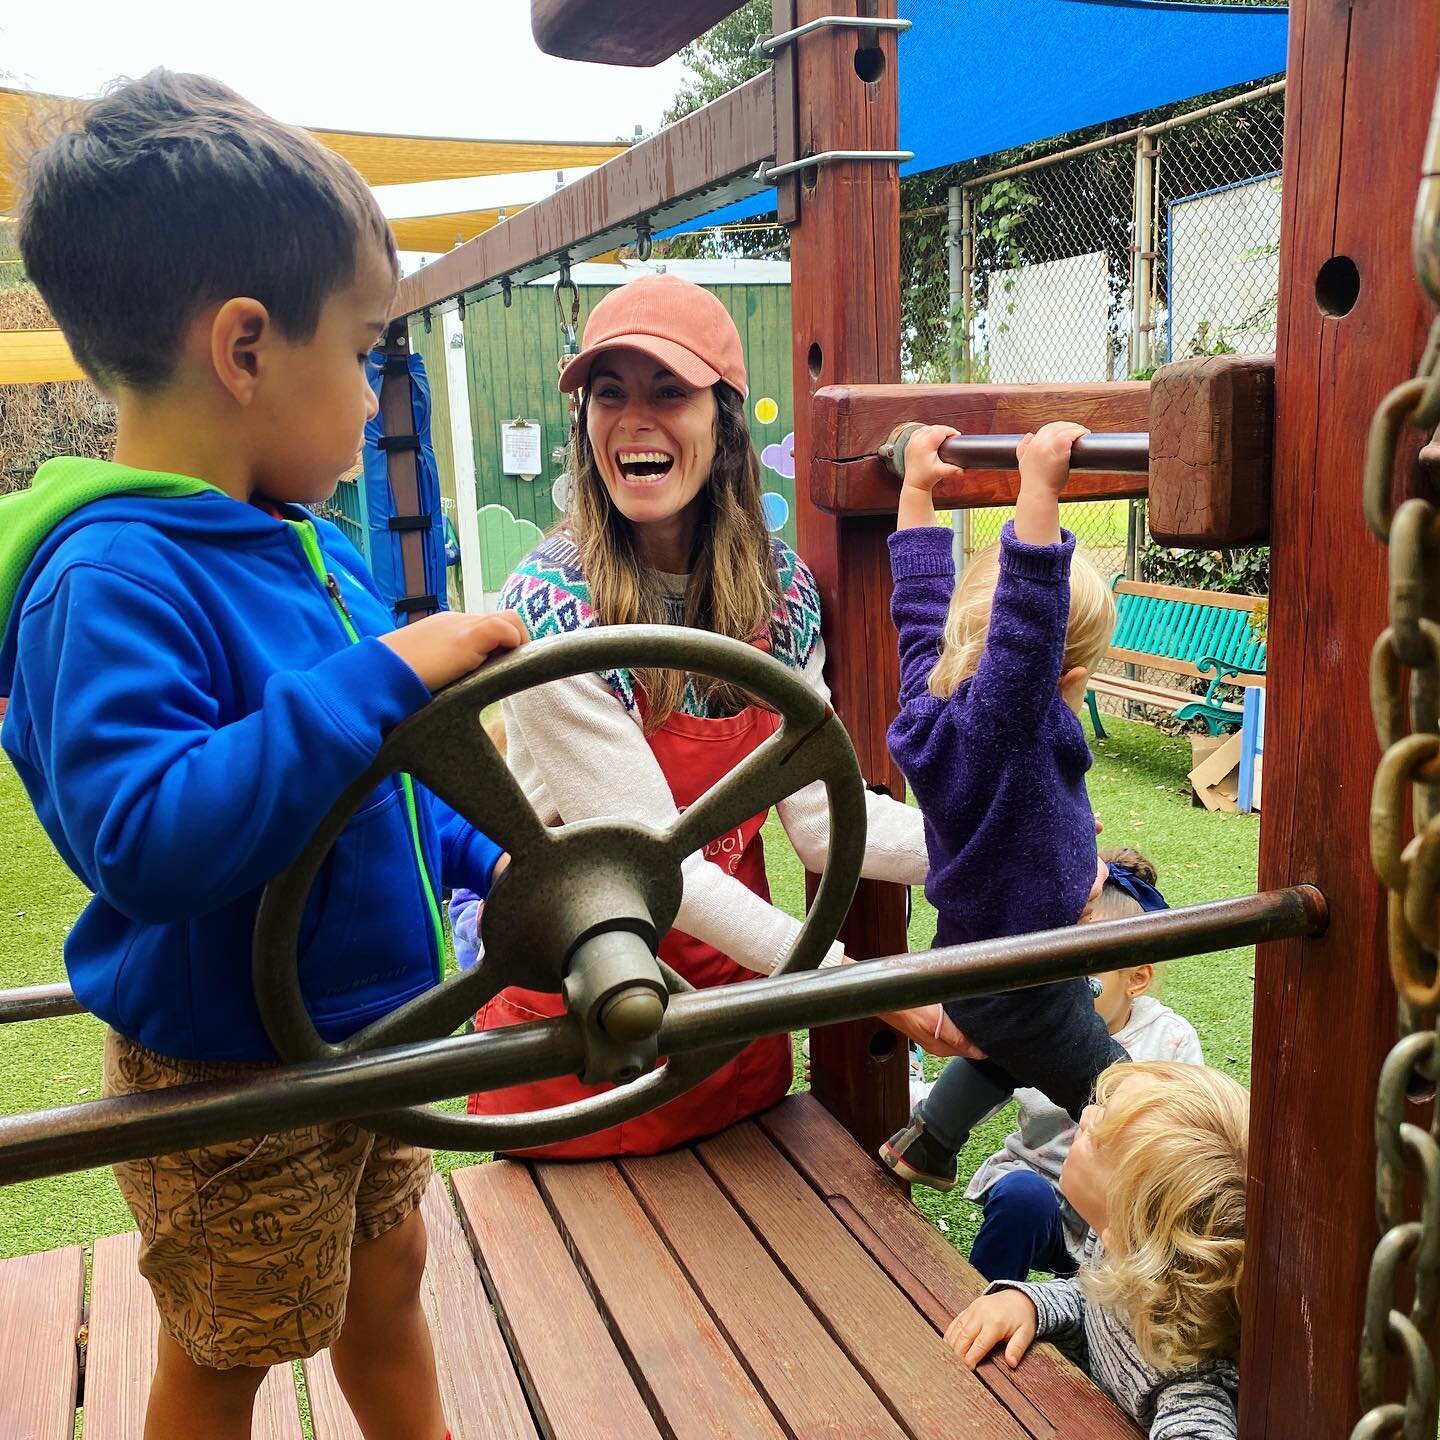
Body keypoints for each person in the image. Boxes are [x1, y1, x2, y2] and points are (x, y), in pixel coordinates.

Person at [0, 71, 525, 1440]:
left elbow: (386, 773)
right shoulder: (108, 581)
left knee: (388, 1269)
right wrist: (382, 670)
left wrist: (507, 842)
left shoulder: (306, 538)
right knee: (232, 1344)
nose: (369, 399)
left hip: (368, 1029)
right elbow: (150, 835)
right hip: (229, 1067)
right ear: (245, 349)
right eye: (360, 351)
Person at [450, 272, 959, 1157]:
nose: (633, 419)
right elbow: (657, 863)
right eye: (609, 395)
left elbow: (816, 821)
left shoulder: (783, 594)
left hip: (731, 1044)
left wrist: (1004, 847)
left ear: (723, 423)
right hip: (581, 1039)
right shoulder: (549, 606)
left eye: (669, 392)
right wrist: (855, 983)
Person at [878, 421, 1124, 1192]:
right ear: (1068, 675)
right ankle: (1147, 1225)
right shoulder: (1008, 722)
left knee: (1005, 1056)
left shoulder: (929, 699)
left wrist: (917, 488)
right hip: (1028, 978)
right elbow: (1029, 626)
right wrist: (1037, 489)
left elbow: (917, 608)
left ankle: (928, 1142)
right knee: (1125, 1103)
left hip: (975, 960)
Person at [946, 1061, 1245, 1439]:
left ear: (1122, 1230)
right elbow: (1094, 1298)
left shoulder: (1189, 1382)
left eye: (1098, 1137)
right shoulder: (1122, 1258)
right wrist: (1030, 1303)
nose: (1085, 1115)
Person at [963, 850, 1205, 1281]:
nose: (1067, 988)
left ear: (1136, 978)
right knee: (1021, 1195)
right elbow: (982, 1083)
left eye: (1086, 974)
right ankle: (980, 1304)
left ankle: (1094, 1326)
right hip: (1044, 1195)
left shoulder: (1169, 1040)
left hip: (1116, 1210)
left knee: (1153, 1237)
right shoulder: (1040, 1024)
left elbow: (1191, 1134)